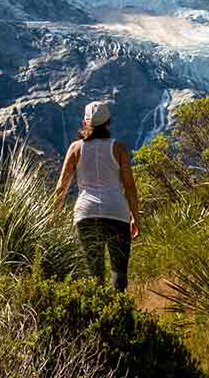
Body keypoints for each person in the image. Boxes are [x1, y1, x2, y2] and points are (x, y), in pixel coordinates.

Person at [50, 99, 141, 291]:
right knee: (119, 272)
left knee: (94, 272)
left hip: (86, 213)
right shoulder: (119, 148)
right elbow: (130, 187)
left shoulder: (75, 148)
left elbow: (61, 187)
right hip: (116, 213)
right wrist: (136, 218)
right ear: (108, 123)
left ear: (85, 123)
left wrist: (53, 217)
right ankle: (119, 313)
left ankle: (98, 313)